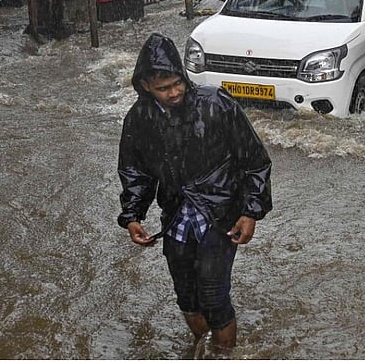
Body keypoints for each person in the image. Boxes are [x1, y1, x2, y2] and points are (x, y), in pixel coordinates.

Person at [117, 33, 273, 352]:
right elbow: (135, 170)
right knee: (187, 297)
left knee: (214, 298)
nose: (173, 92)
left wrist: (250, 212)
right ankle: (203, 350)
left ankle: (223, 354)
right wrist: (132, 216)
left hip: (220, 214)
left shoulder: (216, 103)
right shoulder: (139, 118)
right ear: (146, 86)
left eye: (178, 83)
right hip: (175, 216)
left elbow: (254, 160)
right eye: (164, 88)